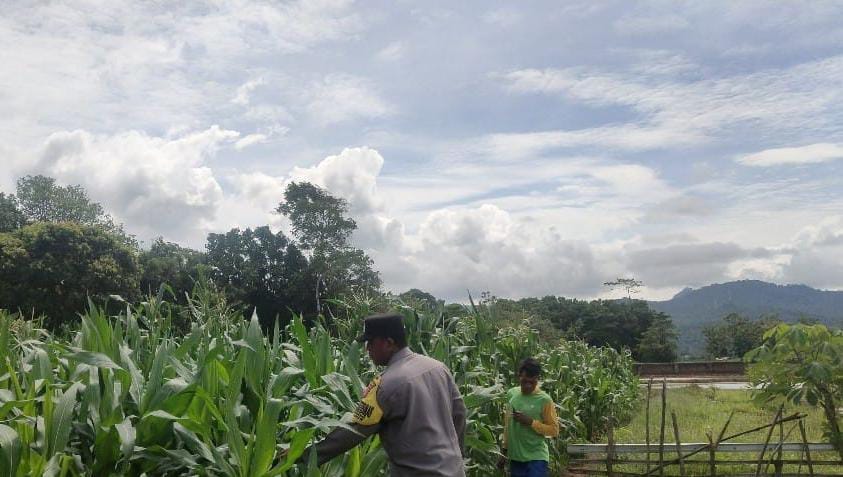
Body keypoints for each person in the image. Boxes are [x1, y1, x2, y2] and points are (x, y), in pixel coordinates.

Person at [303, 312, 467, 476]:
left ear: (389, 343)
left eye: (371, 342)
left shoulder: (385, 385)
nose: (367, 348)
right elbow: (459, 414)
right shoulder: (438, 368)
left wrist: (302, 456)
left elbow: (353, 431)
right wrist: (455, 457)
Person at [499, 358, 560, 477]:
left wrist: (531, 422)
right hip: (516, 458)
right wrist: (504, 452)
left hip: (536, 458)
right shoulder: (511, 395)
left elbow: (554, 430)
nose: (528, 385)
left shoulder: (544, 400)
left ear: (537, 379)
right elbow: (508, 427)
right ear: (519, 376)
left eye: (532, 381)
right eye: (525, 380)